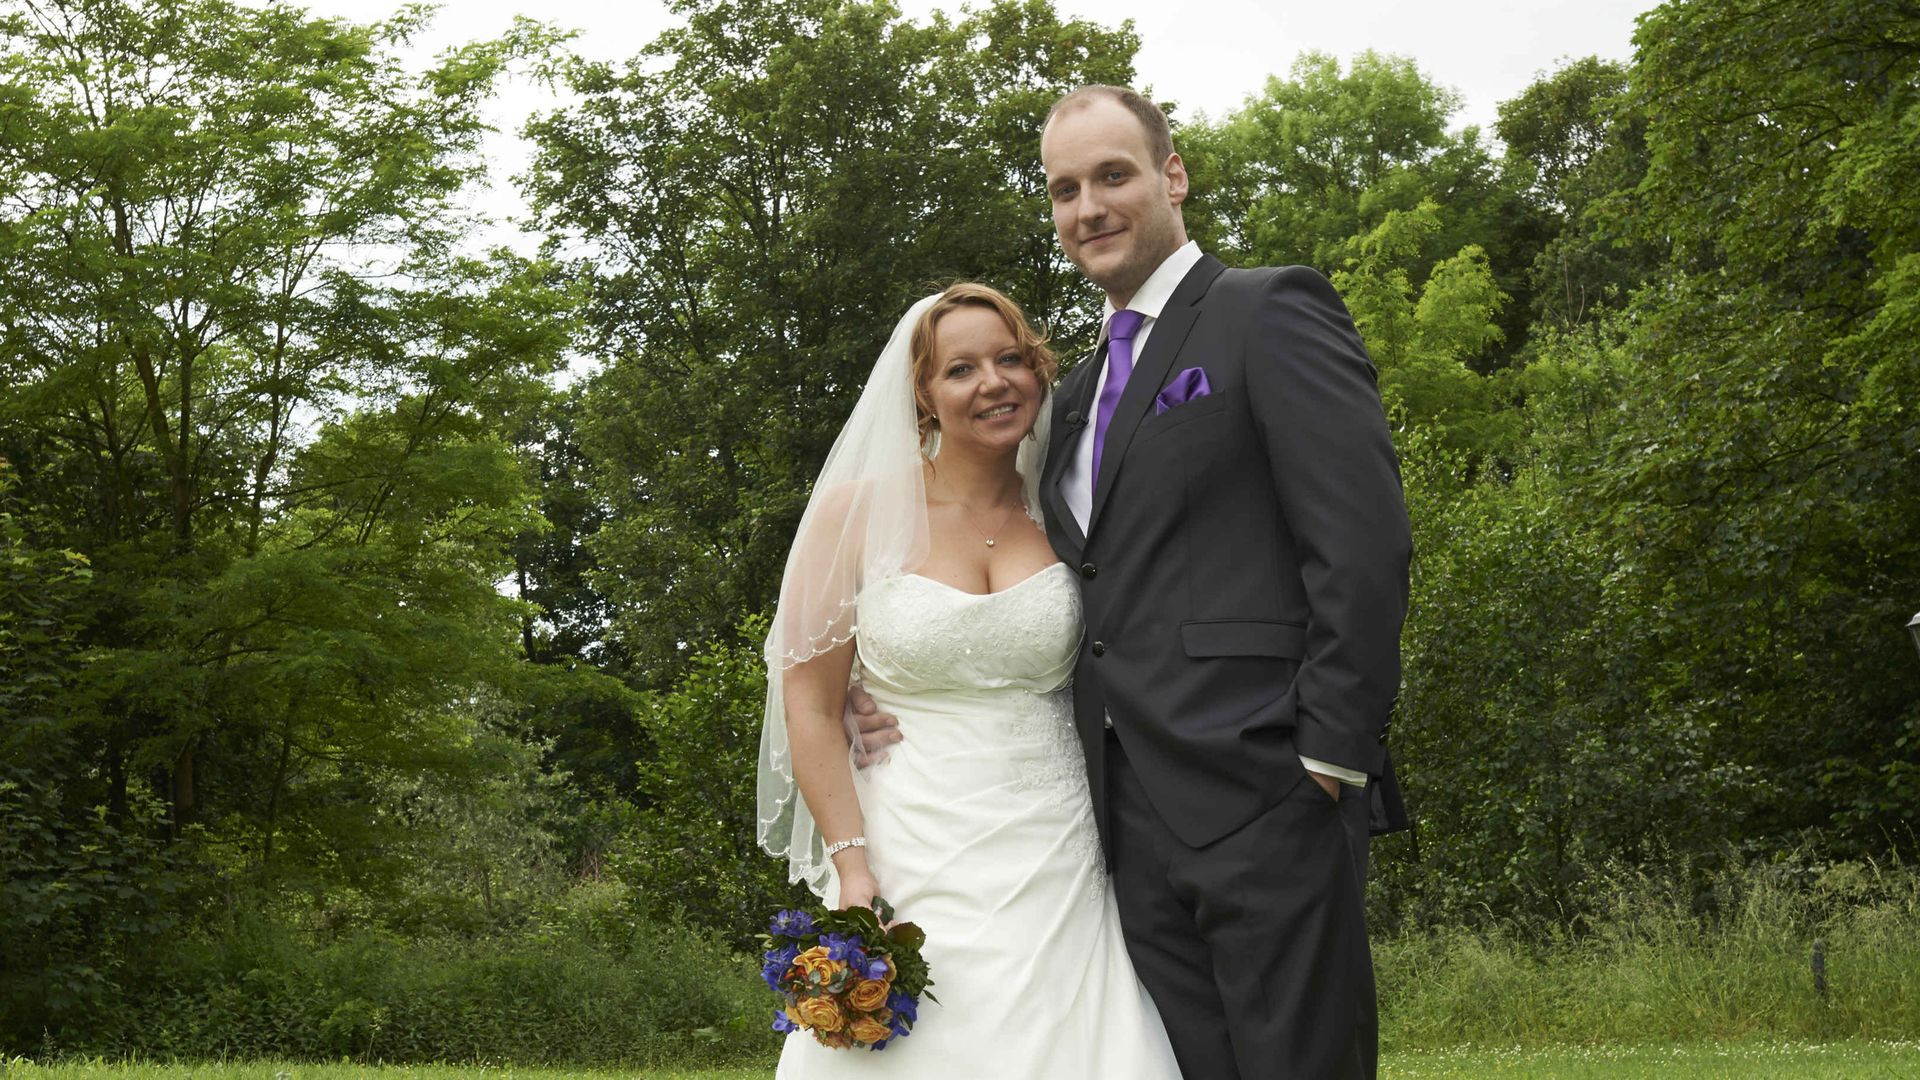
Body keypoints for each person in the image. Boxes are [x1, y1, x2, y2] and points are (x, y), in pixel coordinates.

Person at [1036, 85, 1414, 1079]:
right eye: (1065, 189)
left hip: (1268, 793)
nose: (1089, 208)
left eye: (1112, 175)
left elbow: (1362, 541)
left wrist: (1330, 754)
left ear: (1173, 175)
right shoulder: (1074, 398)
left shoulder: (1267, 310)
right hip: (1122, 819)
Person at [757, 283, 1181, 1079]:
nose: (994, 382)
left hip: (1058, 843)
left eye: (1010, 358)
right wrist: (853, 867)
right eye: (961, 369)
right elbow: (809, 702)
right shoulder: (857, 514)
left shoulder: (1074, 514)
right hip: (910, 839)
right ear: (922, 392)